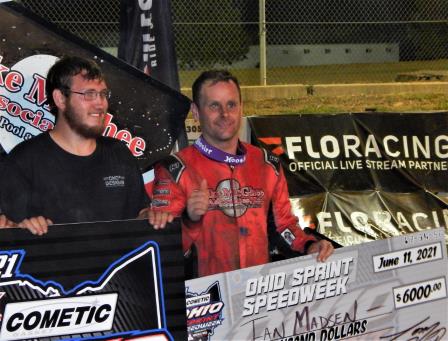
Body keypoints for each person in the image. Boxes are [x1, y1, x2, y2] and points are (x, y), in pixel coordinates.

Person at [152, 70, 333, 278]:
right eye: (214, 106)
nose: (225, 114)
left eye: (231, 105)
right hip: (203, 300)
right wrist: (189, 219)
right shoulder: (174, 169)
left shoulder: (268, 164)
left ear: (241, 108)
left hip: (257, 294)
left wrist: (309, 245)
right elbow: (160, 250)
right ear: (196, 111)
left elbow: (284, 226)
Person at [0, 56, 171, 235]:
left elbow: (138, 214)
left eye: (103, 94)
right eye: (89, 94)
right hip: (54, 263)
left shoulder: (119, 153)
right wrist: (23, 229)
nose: (100, 103)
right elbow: (11, 236)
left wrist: (151, 217)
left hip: (118, 263)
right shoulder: (23, 161)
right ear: (60, 99)